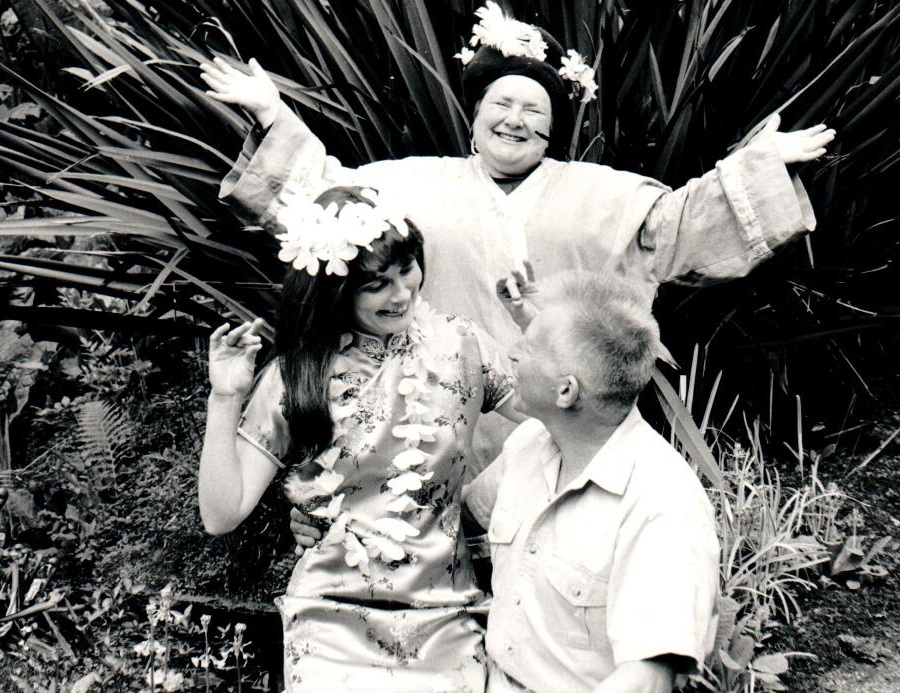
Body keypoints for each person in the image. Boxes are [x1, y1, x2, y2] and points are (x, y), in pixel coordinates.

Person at [199, 0, 835, 466]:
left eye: (534, 109)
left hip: (559, 411)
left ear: (552, 129)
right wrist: (271, 112)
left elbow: (677, 228)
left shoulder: (602, 193)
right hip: (433, 413)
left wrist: (758, 167)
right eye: (500, 104)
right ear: (473, 117)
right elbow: (324, 201)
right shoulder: (410, 182)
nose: (515, 119)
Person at [198, 184, 521, 693]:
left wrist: (534, 322)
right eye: (377, 284)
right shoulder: (297, 376)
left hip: (448, 618)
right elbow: (222, 514)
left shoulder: (462, 344)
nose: (402, 293)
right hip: (330, 625)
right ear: (335, 287)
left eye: (407, 268)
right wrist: (225, 397)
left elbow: (567, 411)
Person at [463, 270, 720, 693]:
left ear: (565, 391)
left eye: (527, 347)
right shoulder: (531, 443)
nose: (511, 353)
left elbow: (647, 679)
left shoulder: (663, 504)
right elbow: (462, 518)